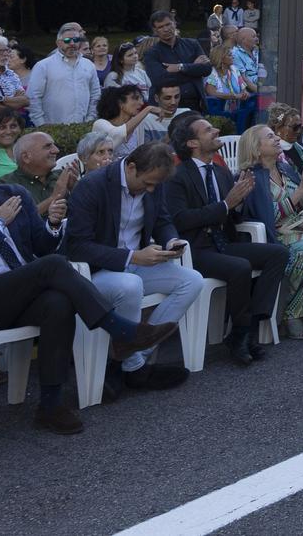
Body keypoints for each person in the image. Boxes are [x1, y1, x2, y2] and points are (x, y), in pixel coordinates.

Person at [0, 136, 173, 433]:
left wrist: (53, 225)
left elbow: (42, 248)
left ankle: (51, 403)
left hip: (23, 289)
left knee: (59, 303)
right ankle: (120, 330)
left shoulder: (11, 192)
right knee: (55, 267)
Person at [61, 141, 206, 393]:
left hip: (136, 264)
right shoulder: (92, 186)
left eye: (155, 185)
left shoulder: (153, 184)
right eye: (147, 183)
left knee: (192, 280)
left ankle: (129, 360)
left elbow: (162, 220)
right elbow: (77, 247)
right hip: (94, 271)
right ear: (130, 167)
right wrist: (132, 257)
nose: (151, 190)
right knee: (131, 284)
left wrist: (172, 241)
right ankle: (135, 369)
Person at [163, 114, 289, 365]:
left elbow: (232, 215)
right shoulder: (177, 176)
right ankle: (241, 333)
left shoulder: (220, 172)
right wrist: (225, 204)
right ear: (192, 143)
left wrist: (238, 204)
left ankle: (250, 326)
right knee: (239, 266)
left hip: (223, 242)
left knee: (278, 253)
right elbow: (180, 220)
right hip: (195, 249)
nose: (216, 130)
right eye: (208, 130)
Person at [234, 123, 303, 340]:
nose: (276, 139)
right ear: (256, 147)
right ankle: (293, 312)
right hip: (273, 236)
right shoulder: (251, 177)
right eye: (270, 137)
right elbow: (269, 216)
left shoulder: (285, 168)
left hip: (298, 227)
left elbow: (302, 205)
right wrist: (302, 187)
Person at [27, 24, 101, 125]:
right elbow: (33, 97)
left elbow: (95, 94)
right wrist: (41, 125)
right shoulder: (43, 66)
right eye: (67, 40)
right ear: (58, 43)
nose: (72, 43)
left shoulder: (88, 65)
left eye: (76, 40)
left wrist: (90, 119)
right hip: (52, 128)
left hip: (83, 126)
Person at [142, 11, 211, 113]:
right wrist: (193, 68)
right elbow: (160, 80)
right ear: (155, 31)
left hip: (196, 104)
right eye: (160, 27)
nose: (166, 29)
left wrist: (181, 67)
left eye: (168, 24)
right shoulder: (151, 53)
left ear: (175, 23)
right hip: (166, 108)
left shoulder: (192, 44)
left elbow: (206, 69)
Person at [9, 128, 77, 216]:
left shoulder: (62, 175)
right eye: (48, 146)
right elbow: (20, 220)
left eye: (54, 145)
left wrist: (75, 188)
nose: (56, 150)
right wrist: (54, 197)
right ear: (26, 157)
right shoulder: (6, 185)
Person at [201, 50, 256, 136]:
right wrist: (231, 96)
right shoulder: (211, 72)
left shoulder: (235, 69)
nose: (233, 57)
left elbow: (243, 87)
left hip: (237, 108)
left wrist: (245, 93)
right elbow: (211, 93)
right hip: (218, 111)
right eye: (229, 55)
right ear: (221, 58)